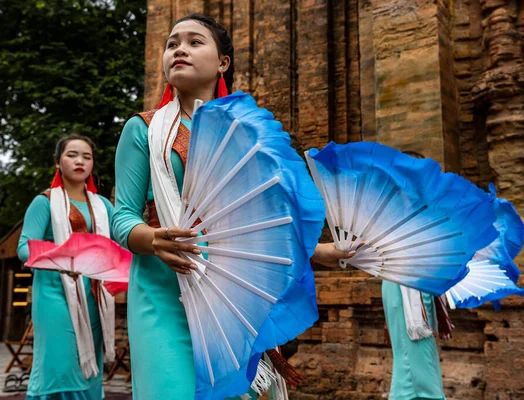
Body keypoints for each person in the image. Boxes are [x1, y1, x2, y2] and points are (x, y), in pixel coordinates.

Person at [111, 13, 349, 399]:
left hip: (232, 288)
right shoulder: (142, 129)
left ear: (223, 62)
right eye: (172, 44)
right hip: (161, 286)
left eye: (194, 42)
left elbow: (267, 226)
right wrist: (154, 239)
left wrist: (324, 252)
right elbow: (121, 215)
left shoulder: (246, 137)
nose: (180, 50)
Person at [17, 135, 114, 400]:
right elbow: (24, 247)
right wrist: (62, 257)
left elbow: (122, 243)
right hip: (54, 293)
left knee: (88, 366)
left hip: (94, 294)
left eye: (87, 156)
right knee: (59, 363)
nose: (80, 161)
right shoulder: (44, 202)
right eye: (72, 155)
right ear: (58, 162)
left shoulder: (104, 206)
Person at [381, 150, 447, 400]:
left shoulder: (421, 210)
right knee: (413, 358)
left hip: (419, 284)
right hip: (403, 284)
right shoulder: (395, 209)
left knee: (419, 355)